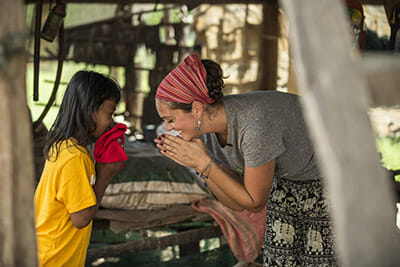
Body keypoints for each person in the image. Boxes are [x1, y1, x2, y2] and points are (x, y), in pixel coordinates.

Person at [154, 54, 337, 266]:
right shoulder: (209, 133)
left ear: (196, 108)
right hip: (288, 183)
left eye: (170, 120)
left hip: (331, 180)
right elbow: (236, 202)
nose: (168, 128)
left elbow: (254, 202)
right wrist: (199, 165)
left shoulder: (254, 127)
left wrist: (204, 164)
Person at [34, 71, 122, 266]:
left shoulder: (62, 146)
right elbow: (81, 218)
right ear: (90, 110)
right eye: (110, 113)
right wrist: (103, 178)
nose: (112, 122)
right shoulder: (76, 158)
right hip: (55, 260)